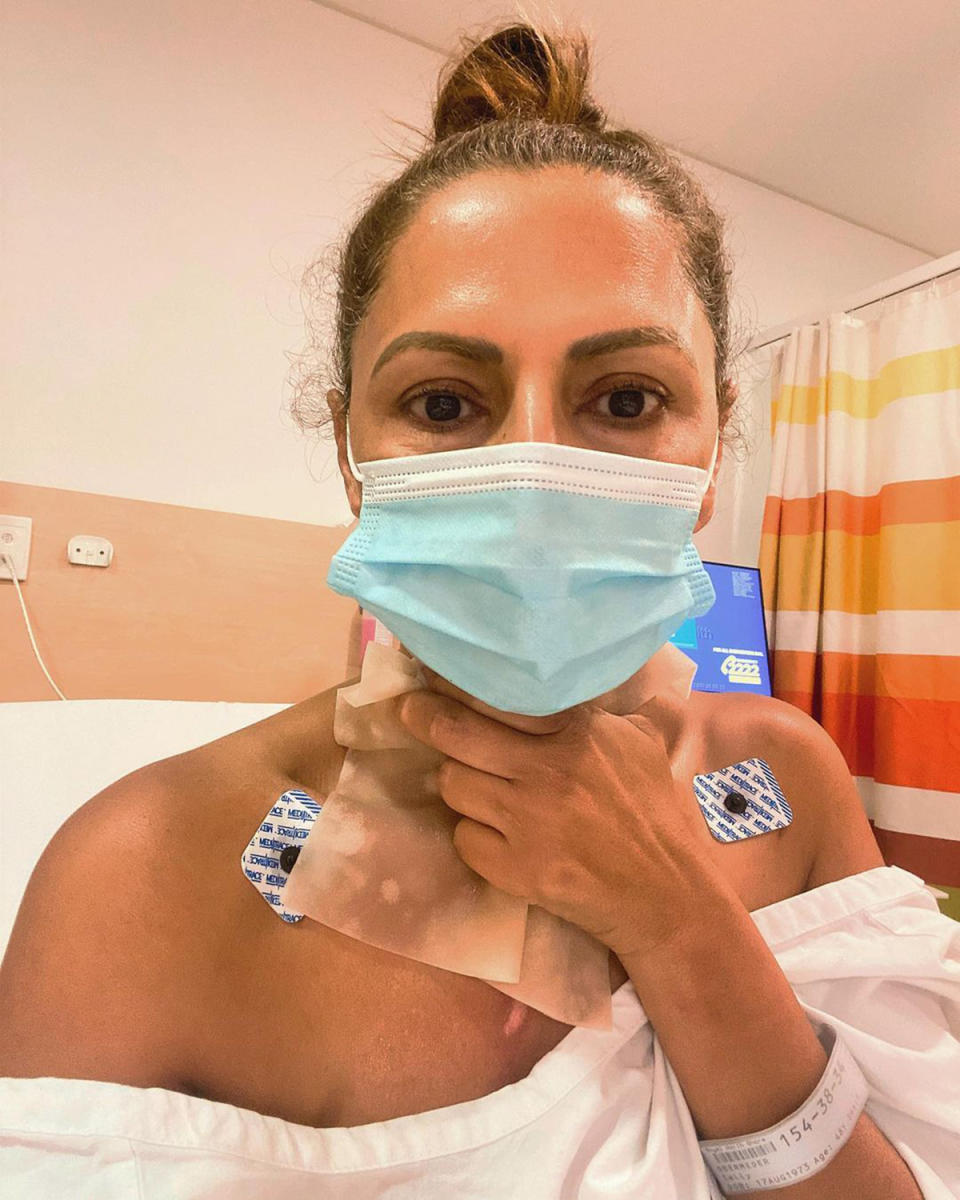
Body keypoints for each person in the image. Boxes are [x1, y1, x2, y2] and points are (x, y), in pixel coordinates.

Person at [0, 21, 957, 1200]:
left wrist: (675, 919)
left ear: (714, 449)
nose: (533, 477)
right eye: (446, 402)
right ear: (355, 454)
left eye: (624, 396)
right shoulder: (142, 877)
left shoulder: (789, 776)